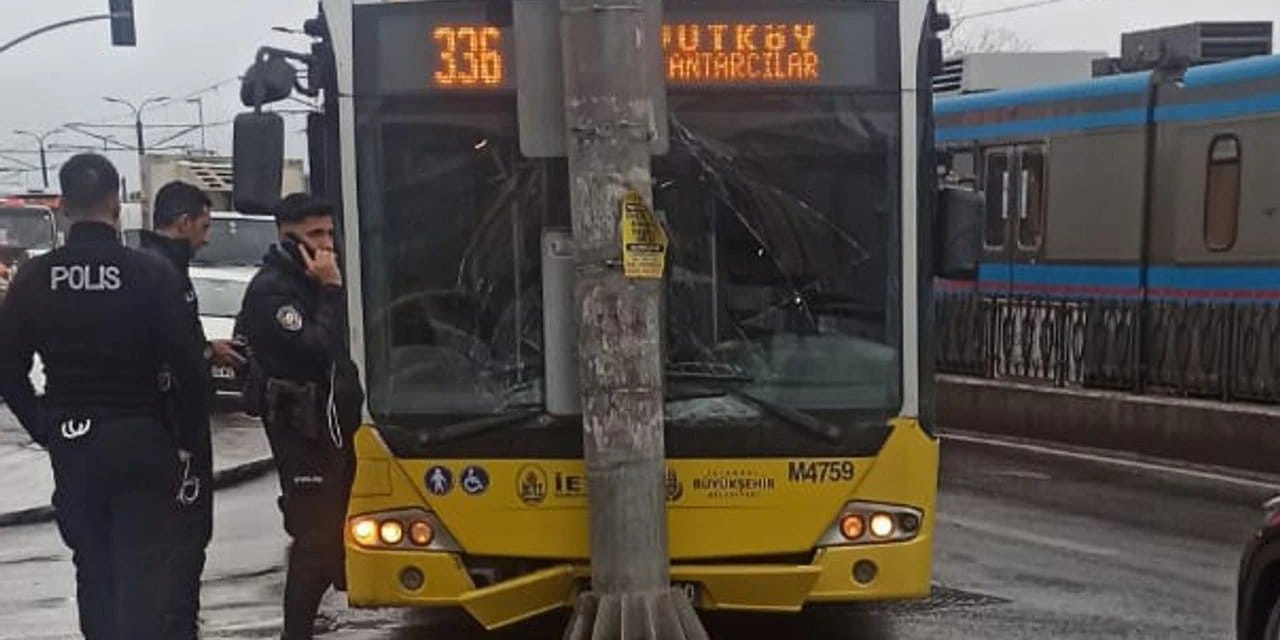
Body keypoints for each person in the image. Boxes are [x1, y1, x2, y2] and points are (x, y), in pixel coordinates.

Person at [0, 153, 207, 639]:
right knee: (143, 572)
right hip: (142, 437)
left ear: (63, 205)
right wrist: (184, 442)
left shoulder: (34, 278)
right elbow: (189, 368)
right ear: (116, 204)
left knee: (93, 570)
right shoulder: (149, 274)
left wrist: (45, 426)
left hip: (75, 441)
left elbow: (7, 370)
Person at [237, 193, 363, 640]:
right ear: (287, 238)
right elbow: (315, 347)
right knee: (316, 540)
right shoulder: (273, 291)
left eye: (329, 233)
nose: (326, 244)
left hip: (329, 423)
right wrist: (330, 289)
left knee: (328, 535)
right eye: (314, 235)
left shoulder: (307, 282)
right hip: (301, 426)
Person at [139, 180, 248, 638]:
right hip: (175, 436)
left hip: (155, 429)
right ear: (183, 223)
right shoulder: (165, 273)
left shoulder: (153, 265)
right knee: (183, 540)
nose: (206, 239)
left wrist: (206, 350)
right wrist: (185, 441)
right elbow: (172, 357)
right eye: (204, 227)